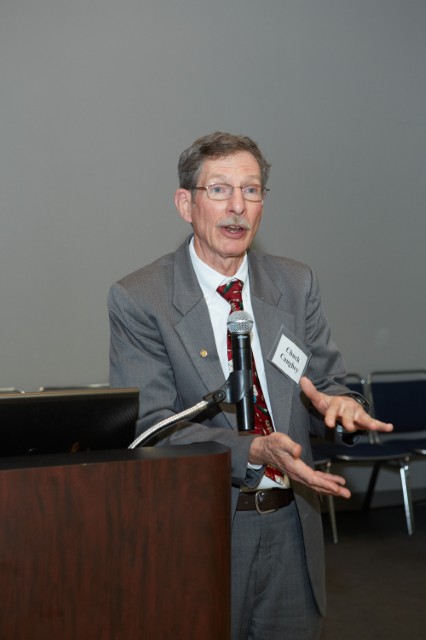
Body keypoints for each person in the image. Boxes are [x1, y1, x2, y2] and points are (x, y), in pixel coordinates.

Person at [108, 132, 392, 640]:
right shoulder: (141, 298)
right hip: (204, 533)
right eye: (219, 189)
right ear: (185, 204)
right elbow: (151, 430)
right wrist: (253, 450)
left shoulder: (295, 284)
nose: (237, 206)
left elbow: (327, 383)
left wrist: (342, 407)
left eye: (252, 190)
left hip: (292, 528)